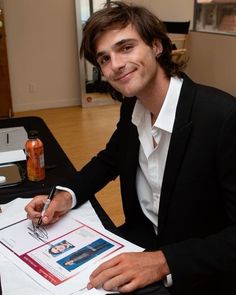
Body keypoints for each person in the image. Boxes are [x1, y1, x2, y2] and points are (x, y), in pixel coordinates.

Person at [25, 1, 236, 295]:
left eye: (126, 48)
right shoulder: (132, 107)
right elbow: (109, 161)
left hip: (196, 271)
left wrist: (164, 262)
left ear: (157, 46)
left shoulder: (222, 117)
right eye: (104, 58)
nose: (116, 65)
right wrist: (65, 196)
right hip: (139, 243)